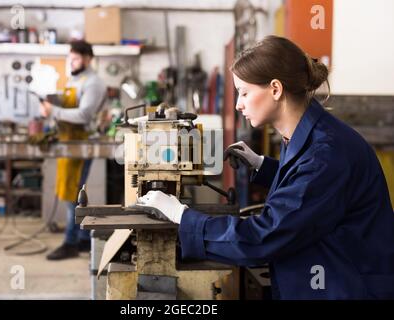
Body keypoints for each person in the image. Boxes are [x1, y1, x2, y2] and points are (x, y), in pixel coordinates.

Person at [135, 36, 394, 299]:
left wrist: (182, 216)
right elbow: (306, 191)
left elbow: (264, 237)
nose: (238, 104)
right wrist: (263, 165)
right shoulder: (309, 134)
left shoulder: (325, 155)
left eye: (245, 92)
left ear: (275, 89)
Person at [40, 40, 106, 260]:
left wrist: (54, 111)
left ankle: (70, 243)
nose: (72, 62)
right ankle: (83, 240)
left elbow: (84, 115)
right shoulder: (75, 79)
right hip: (68, 142)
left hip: (81, 143)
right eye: (70, 58)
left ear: (88, 59)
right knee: (70, 194)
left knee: (73, 194)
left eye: (76, 58)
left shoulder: (94, 83)